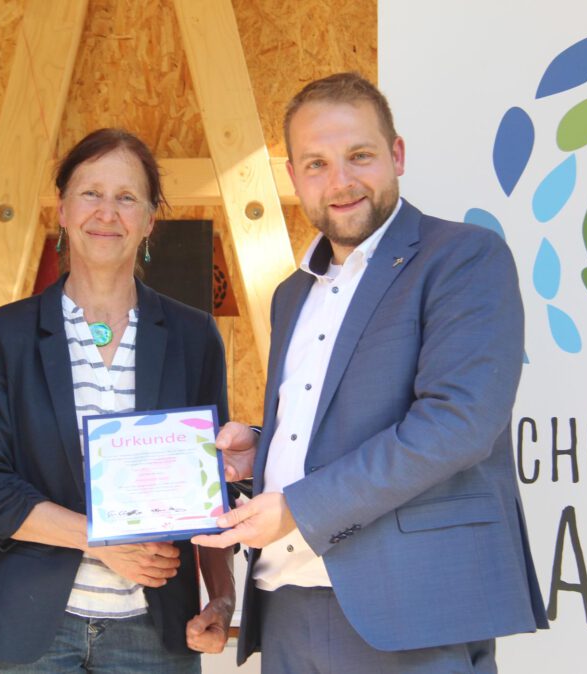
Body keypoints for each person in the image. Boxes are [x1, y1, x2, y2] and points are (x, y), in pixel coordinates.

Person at [192, 72, 549, 673]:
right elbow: (329, 422)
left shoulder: (463, 257)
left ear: (397, 154)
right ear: (293, 179)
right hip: (285, 608)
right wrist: (260, 450)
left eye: (359, 156)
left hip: (409, 610)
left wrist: (300, 507)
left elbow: (459, 422)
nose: (340, 181)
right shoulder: (290, 294)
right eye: (316, 164)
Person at [0, 128, 235, 673]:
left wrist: (220, 597)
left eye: (127, 197)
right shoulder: (6, 335)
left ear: (150, 219)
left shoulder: (193, 336)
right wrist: (100, 542)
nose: (107, 212)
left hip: (155, 634)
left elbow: (212, 486)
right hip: (25, 627)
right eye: (90, 194)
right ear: (61, 209)